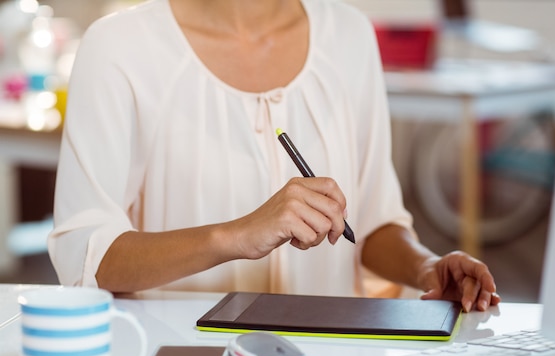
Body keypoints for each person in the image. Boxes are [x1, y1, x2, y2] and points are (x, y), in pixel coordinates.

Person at [48, 0, 501, 313]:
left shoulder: (349, 35)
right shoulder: (119, 46)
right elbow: (89, 256)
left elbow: (372, 224)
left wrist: (426, 267)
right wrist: (237, 235)